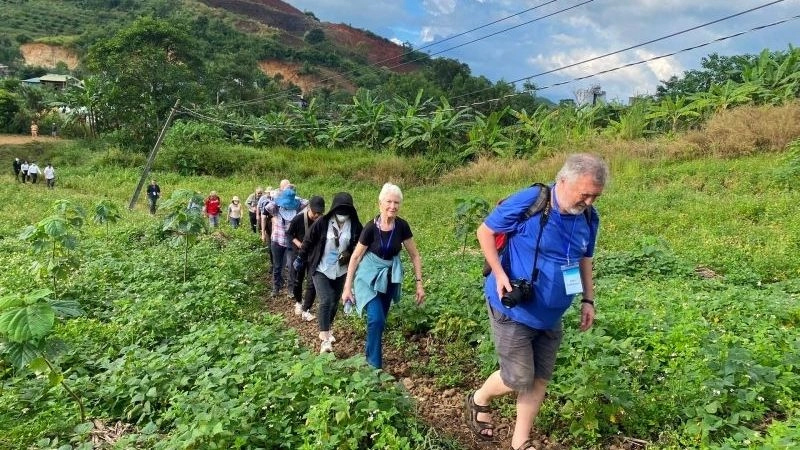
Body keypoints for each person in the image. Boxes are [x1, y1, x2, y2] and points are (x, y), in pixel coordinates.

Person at [465, 153, 609, 450]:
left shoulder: (588, 218)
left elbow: (585, 258)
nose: (590, 202)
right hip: (514, 307)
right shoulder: (533, 200)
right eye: (585, 194)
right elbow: (485, 231)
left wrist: (588, 299)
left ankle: (520, 442)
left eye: (596, 196)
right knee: (518, 377)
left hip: (552, 313)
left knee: (540, 379)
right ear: (563, 181)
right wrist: (500, 273)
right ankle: (480, 397)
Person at [342, 183, 425, 369]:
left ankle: (371, 354)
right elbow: (355, 257)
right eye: (389, 201)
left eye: (396, 202)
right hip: (368, 278)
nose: (392, 206)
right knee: (376, 319)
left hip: (389, 279)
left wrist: (419, 284)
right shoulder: (371, 228)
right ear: (380, 203)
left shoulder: (402, 226)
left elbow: (415, 255)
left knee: (380, 320)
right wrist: (347, 287)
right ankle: (374, 367)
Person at [295, 192, 362, 354]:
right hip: (321, 268)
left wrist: (349, 253)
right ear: (333, 208)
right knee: (325, 300)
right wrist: (300, 258)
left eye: (346, 210)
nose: (343, 213)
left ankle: (328, 327)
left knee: (333, 302)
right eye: (340, 209)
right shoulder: (323, 223)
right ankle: (324, 340)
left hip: (341, 270)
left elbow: (360, 245)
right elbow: (308, 241)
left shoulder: (355, 225)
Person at [265, 185, 308, 298]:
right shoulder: (276, 208)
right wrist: (279, 197)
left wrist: (293, 197)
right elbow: (268, 206)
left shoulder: (297, 207)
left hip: (291, 242)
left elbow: (307, 202)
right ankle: (276, 287)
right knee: (277, 266)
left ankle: (291, 290)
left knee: (291, 266)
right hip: (277, 240)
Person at [288, 195, 324, 320]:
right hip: (299, 253)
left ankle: (306, 309)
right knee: (298, 280)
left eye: (319, 213)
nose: (316, 216)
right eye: (315, 212)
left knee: (312, 282)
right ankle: (298, 302)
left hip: (313, 255)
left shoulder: (322, 221)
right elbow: (289, 234)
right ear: (309, 208)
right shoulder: (298, 219)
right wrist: (298, 243)